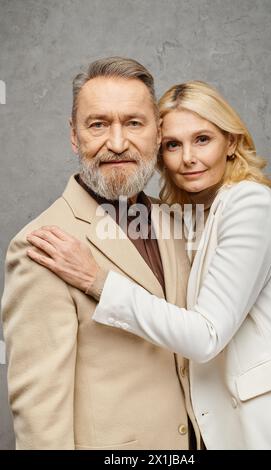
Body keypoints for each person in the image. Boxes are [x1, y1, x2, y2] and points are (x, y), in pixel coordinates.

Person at [26, 80, 271, 450]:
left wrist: (97, 281)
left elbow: (205, 336)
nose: (188, 157)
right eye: (173, 144)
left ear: (231, 142)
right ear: (158, 149)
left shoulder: (249, 203)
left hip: (263, 423)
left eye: (203, 139)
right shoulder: (180, 217)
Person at [1, 57, 200, 450]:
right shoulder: (40, 245)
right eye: (98, 124)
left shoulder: (178, 222)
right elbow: (41, 419)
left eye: (133, 122)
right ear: (74, 136)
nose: (117, 142)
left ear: (158, 133)